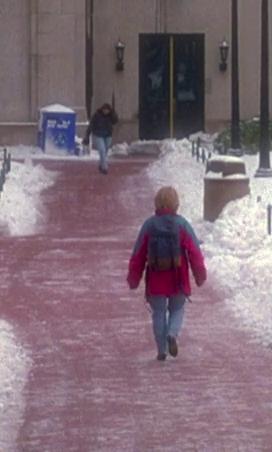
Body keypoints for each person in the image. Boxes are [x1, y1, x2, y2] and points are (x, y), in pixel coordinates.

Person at [127, 186, 206, 361]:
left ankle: (161, 350)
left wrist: (133, 278)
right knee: (177, 309)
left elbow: (138, 253)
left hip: (156, 278)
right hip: (178, 278)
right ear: (176, 204)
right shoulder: (182, 224)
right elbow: (194, 252)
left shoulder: (149, 225)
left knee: (158, 313)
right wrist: (200, 275)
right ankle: (172, 334)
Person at [83, 102, 118, 174]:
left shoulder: (110, 115)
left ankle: (101, 164)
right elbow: (91, 125)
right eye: (105, 110)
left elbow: (115, 121)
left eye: (107, 110)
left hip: (108, 135)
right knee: (102, 150)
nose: (106, 111)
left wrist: (113, 113)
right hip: (98, 135)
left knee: (105, 151)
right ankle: (104, 167)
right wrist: (87, 135)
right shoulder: (97, 115)